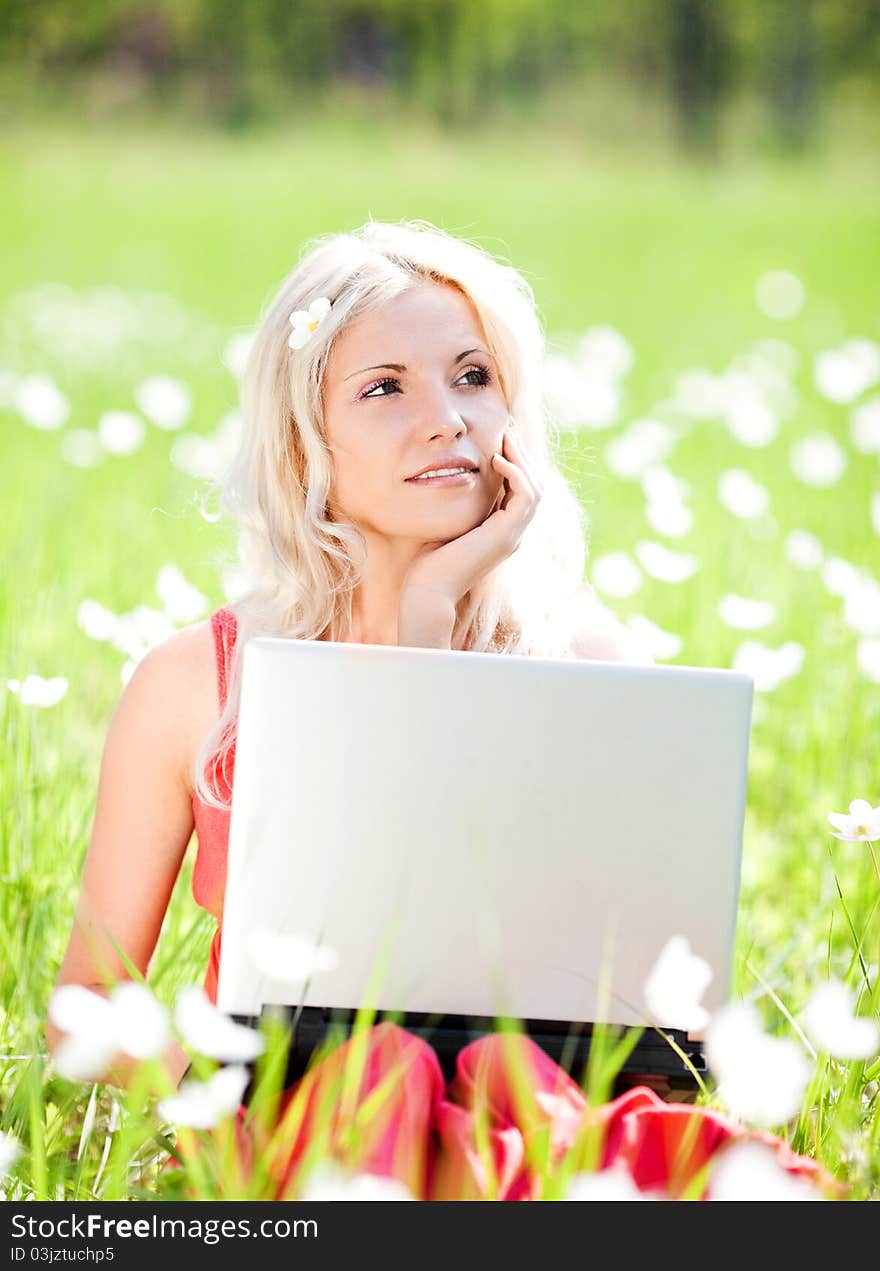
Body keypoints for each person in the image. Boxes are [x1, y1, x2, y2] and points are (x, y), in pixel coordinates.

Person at [46, 219, 832, 1201]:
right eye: (384, 388)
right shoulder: (197, 682)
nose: (445, 418)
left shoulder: (590, 667)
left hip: (531, 1102)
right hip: (302, 1118)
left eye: (471, 376)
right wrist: (208, 1092)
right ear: (305, 438)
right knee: (386, 1070)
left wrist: (431, 607)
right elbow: (84, 1006)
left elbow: (653, 993)